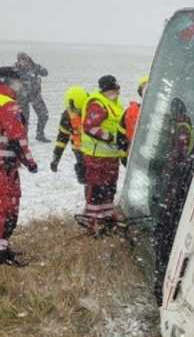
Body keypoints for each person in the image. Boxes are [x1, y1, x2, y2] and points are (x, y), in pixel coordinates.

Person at [0, 67, 39, 265]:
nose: (21, 85)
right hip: (4, 169)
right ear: (8, 82)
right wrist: (30, 162)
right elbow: (18, 139)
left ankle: (3, 248)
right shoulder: (8, 105)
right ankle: (1, 252)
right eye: (18, 81)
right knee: (7, 208)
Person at [80, 75, 125, 234]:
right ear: (105, 90)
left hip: (111, 155)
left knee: (109, 187)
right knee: (97, 187)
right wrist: (111, 138)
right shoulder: (97, 104)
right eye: (113, 90)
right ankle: (93, 220)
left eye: (117, 90)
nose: (116, 93)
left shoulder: (115, 104)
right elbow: (90, 127)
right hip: (97, 156)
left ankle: (106, 217)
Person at [51, 85, 89, 184]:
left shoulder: (95, 108)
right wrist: (56, 158)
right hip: (79, 150)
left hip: (97, 150)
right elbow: (62, 139)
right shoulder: (67, 116)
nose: (78, 113)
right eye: (76, 111)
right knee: (85, 177)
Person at [13, 52, 50, 142]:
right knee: (24, 120)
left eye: (25, 59)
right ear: (18, 61)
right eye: (21, 60)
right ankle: (24, 138)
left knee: (44, 115)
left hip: (35, 95)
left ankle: (40, 134)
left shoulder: (34, 67)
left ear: (28, 59)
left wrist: (40, 69)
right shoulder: (14, 70)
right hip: (22, 98)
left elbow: (45, 73)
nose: (23, 62)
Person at [118, 75, 146, 161]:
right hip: (135, 159)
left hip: (138, 158)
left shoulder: (131, 111)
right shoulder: (130, 112)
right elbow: (121, 133)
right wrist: (124, 153)